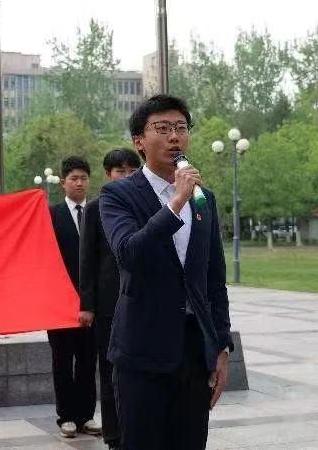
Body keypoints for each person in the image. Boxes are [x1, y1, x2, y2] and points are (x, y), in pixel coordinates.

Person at [99, 94, 233, 450]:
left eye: (181, 128)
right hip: (142, 351)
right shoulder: (118, 195)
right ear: (139, 141)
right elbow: (130, 253)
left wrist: (221, 346)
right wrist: (176, 202)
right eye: (162, 128)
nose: (175, 136)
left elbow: (213, 279)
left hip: (193, 351)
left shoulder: (204, 199)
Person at [79, 148, 142, 450]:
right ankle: (114, 434)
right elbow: (87, 260)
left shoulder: (147, 204)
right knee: (109, 371)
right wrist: (87, 305)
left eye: (132, 171)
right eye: (120, 171)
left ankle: (138, 430)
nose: (127, 176)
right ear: (108, 175)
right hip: (107, 306)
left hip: (141, 300)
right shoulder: (95, 208)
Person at [48, 156, 101, 439]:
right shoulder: (51, 215)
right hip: (59, 304)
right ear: (63, 183)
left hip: (91, 303)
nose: (79, 183)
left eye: (83, 178)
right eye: (74, 178)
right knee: (62, 361)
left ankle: (86, 415)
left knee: (87, 361)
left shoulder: (98, 212)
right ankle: (66, 416)